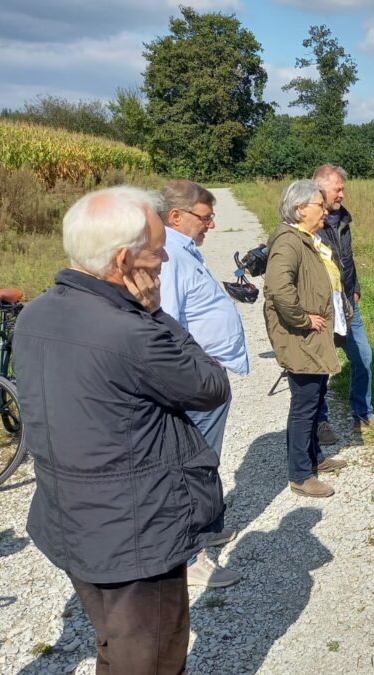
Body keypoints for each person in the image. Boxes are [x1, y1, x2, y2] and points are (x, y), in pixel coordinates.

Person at [14, 186, 231, 673]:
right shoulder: (129, 332)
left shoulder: (36, 314)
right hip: (136, 534)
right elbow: (211, 385)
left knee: (116, 641)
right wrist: (158, 315)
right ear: (122, 260)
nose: (163, 264)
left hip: (74, 519)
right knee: (152, 655)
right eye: (157, 252)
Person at [158, 179, 248, 588]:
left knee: (205, 460)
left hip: (206, 376)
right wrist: (201, 366)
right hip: (195, 379)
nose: (210, 225)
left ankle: (208, 527)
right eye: (205, 217)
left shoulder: (182, 250)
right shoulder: (169, 257)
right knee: (192, 465)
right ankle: (190, 555)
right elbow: (168, 324)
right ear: (176, 216)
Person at [263, 179, 352, 499]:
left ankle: (313, 458)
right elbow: (277, 287)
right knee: (305, 403)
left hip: (313, 336)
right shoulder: (288, 241)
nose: (326, 211)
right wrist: (302, 318)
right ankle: (300, 474)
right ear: (300, 209)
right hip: (301, 336)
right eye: (320, 206)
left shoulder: (304, 237)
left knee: (315, 398)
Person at [311, 165, 374, 442]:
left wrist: (355, 288)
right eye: (338, 189)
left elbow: (348, 258)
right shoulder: (308, 223)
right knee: (322, 365)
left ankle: (363, 411)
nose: (343, 194)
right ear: (321, 189)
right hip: (322, 307)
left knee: (364, 357)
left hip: (348, 303)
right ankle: (320, 421)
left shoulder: (343, 220)